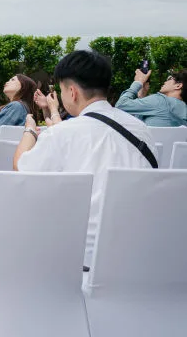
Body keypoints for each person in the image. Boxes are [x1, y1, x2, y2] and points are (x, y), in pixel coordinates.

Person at [14, 50, 155, 269]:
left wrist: (30, 131)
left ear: (72, 92)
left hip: (81, 257)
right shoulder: (143, 130)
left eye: (60, 90)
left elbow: (22, 170)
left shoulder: (63, 133)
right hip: (139, 255)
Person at [0, 74, 37, 167]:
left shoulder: (16, 107)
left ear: (23, 87)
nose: (7, 81)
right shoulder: (15, 106)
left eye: (13, 80)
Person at [115, 68, 186, 127]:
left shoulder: (160, 100)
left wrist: (138, 82)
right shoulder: (183, 109)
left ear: (178, 86)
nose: (165, 81)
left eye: (170, 78)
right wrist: (141, 96)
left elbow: (121, 105)